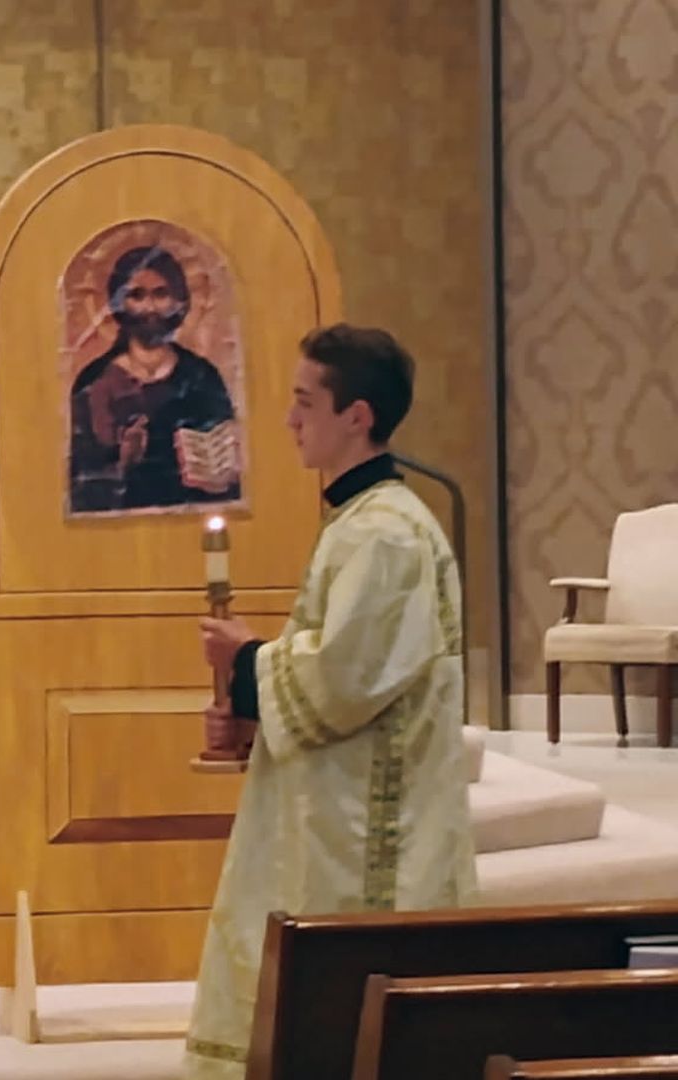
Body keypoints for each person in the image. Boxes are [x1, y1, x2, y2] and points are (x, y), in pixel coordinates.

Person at [183, 325, 478, 1079]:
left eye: (304, 400)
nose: (289, 418)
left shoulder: (387, 536)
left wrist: (245, 661)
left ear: (358, 416)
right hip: (336, 800)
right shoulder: (359, 522)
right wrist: (249, 705)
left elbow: (343, 678)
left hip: (374, 829)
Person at [69, 246, 239, 513]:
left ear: (178, 300)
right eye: (136, 295)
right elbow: (79, 481)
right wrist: (122, 462)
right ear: (119, 303)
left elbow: (228, 471)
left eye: (160, 294)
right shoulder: (95, 381)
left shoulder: (200, 377)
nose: (149, 307)